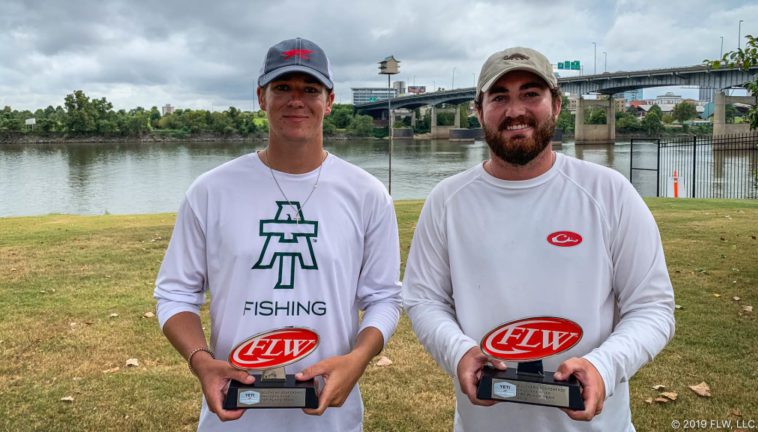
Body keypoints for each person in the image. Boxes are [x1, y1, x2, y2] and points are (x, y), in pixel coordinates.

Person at [403, 47, 675, 431]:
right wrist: (459, 352)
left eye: (531, 94)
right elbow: (423, 298)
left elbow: (653, 307)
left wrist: (603, 366)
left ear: (557, 105)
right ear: (479, 111)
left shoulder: (609, 192)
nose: (515, 110)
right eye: (499, 97)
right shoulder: (447, 200)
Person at [154, 37, 401, 432]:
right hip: (234, 419)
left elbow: (384, 297)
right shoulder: (211, 190)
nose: (296, 100)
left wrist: (358, 359)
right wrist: (201, 360)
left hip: (330, 420)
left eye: (311, 89)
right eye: (282, 87)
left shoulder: (367, 194)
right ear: (261, 97)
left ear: (329, 101)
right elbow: (175, 293)